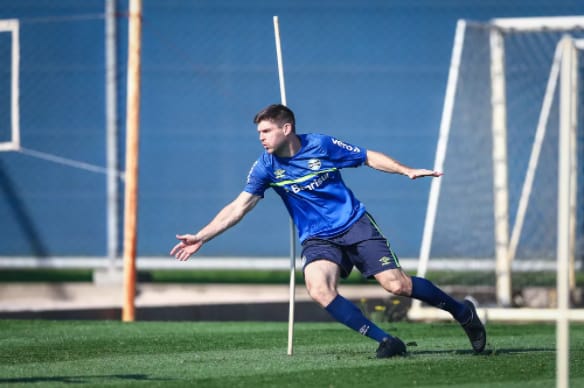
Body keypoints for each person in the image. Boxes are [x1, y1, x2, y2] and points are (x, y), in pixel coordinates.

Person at [170, 103, 486, 358]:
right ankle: (387, 340)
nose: (261, 138)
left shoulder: (321, 144)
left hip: (354, 225)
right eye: (259, 133)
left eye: (266, 131)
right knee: (318, 288)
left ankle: (463, 313)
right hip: (318, 238)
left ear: (286, 128)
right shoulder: (265, 166)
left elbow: (366, 157)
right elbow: (238, 207)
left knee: (397, 286)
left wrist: (406, 170)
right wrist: (202, 236)